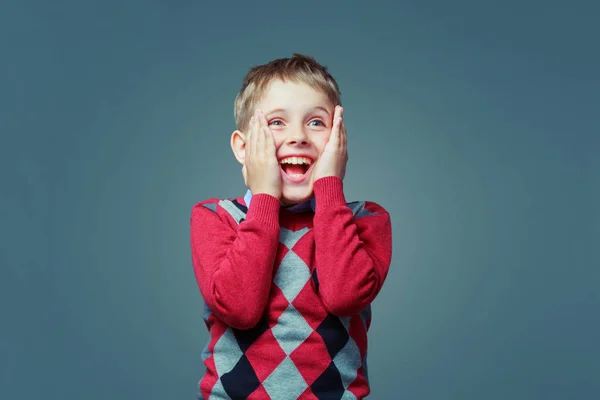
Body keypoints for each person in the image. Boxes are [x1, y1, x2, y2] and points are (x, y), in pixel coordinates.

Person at [189, 53, 393, 400]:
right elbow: (240, 308)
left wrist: (330, 187)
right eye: (277, 122)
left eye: (316, 122)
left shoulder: (365, 220)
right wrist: (265, 196)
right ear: (242, 147)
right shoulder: (216, 216)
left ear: (338, 141)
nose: (298, 136)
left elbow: (343, 297)